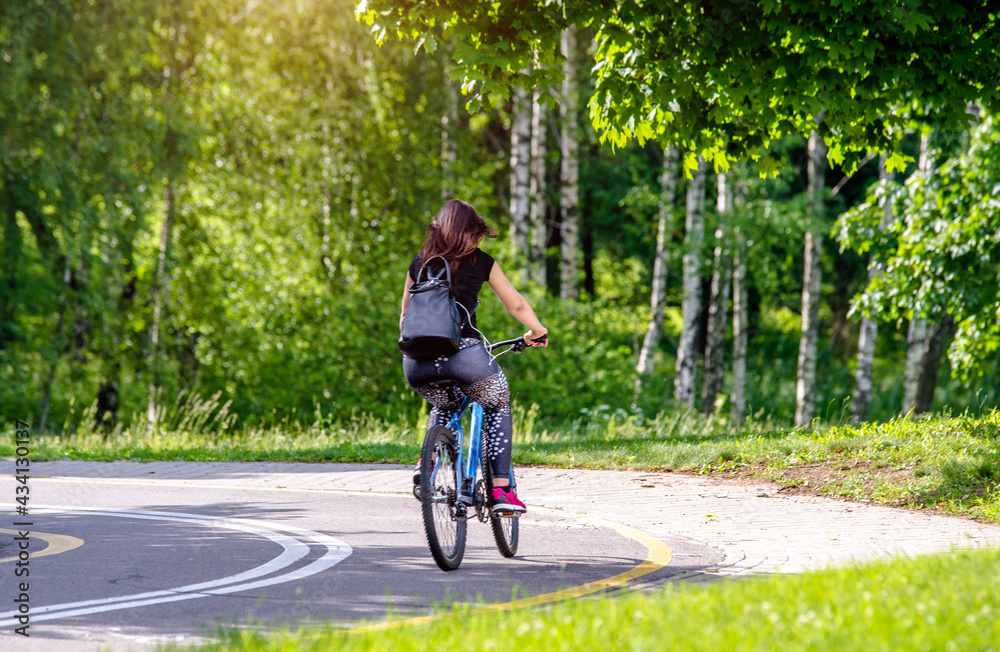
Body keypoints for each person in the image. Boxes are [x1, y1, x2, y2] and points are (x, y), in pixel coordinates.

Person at [400, 199, 548, 513]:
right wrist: (537, 330)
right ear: (471, 232)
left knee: (444, 401)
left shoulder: (420, 262)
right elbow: (516, 305)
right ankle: (501, 492)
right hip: (463, 354)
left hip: (416, 363)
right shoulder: (480, 261)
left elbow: (404, 317)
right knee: (497, 402)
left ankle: (426, 466)